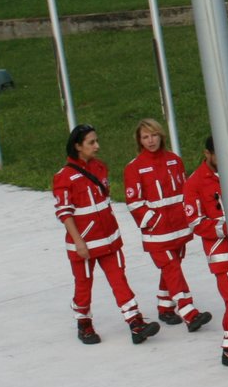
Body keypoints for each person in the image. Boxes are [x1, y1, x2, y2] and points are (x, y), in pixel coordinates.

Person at [52, 123, 159, 346]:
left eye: (96, 141)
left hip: (109, 240)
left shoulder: (100, 168)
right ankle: (84, 323)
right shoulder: (64, 177)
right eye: (91, 142)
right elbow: (64, 213)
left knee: (119, 280)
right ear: (78, 146)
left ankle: (136, 323)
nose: (97, 146)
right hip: (83, 245)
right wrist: (79, 242)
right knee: (84, 284)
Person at [124, 118, 211, 333]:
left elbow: (186, 191)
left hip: (179, 228)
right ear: (139, 141)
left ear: (161, 136)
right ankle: (189, 312)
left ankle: (164, 307)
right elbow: (134, 203)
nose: (150, 140)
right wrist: (153, 222)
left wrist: (187, 218)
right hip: (157, 234)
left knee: (172, 268)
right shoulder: (134, 168)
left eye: (153, 135)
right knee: (172, 268)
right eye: (145, 137)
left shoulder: (174, 160)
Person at [184, 136, 228, 374]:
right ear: (207, 154)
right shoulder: (195, 183)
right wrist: (227, 228)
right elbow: (195, 222)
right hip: (220, 253)